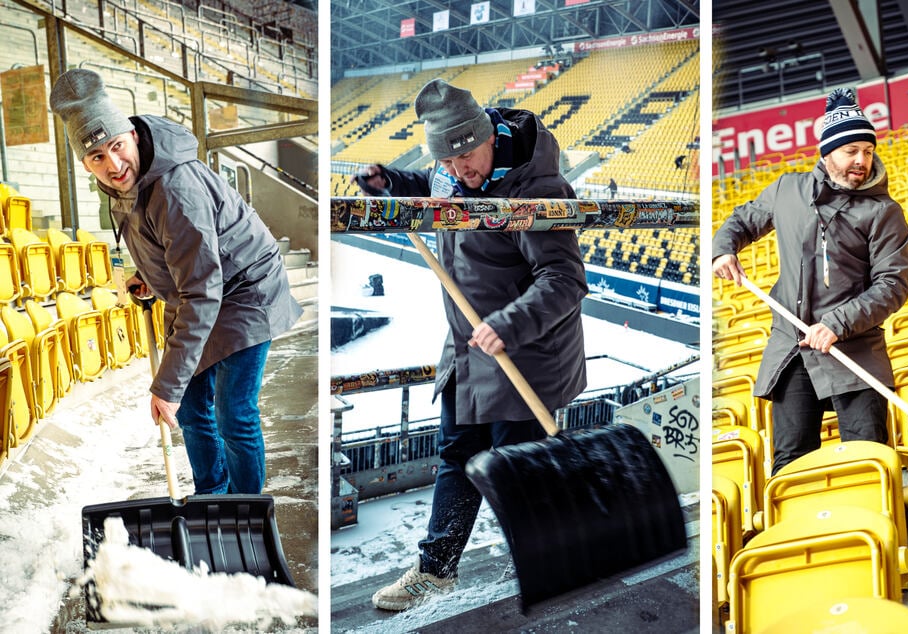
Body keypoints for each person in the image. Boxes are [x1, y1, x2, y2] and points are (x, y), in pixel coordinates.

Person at [352, 78, 588, 611]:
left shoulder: (534, 189)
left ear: (487, 137)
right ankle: (436, 570)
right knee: (458, 453)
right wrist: (393, 182)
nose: (461, 172)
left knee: (516, 471)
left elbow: (564, 280)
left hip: (524, 355)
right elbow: (433, 185)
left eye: (467, 159)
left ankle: (555, 558)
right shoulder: (450, 167)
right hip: (468, 350)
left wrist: (510, 323)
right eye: (450, 164)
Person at [49, 69, 303, 495]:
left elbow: (202, 289)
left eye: (116, 146)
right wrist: (149, 277)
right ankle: (212, 496)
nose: (113, 165)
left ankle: (245, 509)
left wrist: (166, 388)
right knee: (189, 411)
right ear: (84, 162)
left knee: (233, 412)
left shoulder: (175, 187)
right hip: (207, 289)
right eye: (96, 157)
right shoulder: (127, 182)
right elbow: (169, 249)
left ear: (131, 133)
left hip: (245, 291)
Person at [712, 88, 908, 476]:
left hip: (855, 349)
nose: (862, 160)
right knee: (790, 463)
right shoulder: (788, 190)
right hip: (791, 347)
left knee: (868, 458)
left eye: (867, 151)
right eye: (851, 150)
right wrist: (724, 248)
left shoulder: (884, 212)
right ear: (827, 152)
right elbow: (741, 219)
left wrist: (836, 324)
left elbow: (892, 285)